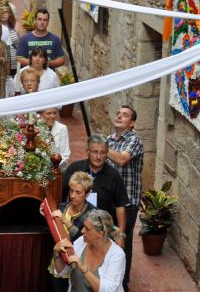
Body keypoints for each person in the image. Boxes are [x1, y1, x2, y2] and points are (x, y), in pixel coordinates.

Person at [63, 133, 129, 249]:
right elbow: (62, 198)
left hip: (101, 232)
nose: (98, 156)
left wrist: (121, 235)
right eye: (95, 152)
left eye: (103, 153)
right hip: (74, 228)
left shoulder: (114, 176)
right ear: (87, 151)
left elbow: (120, 207)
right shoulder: (74, 169)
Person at [106, 106, 144, 291]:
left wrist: (101, 148)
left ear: (132, 123)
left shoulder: (134, 140)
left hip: (128, 201)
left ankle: (122, 283)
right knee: (107, 238)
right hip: (109, 200)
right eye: (118, 113)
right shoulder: (109, 139)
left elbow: (122, 159)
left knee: (123, 240)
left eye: (125, 115)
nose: (120, 116)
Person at [41, 171, 96, 292]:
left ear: (87, 194)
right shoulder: (62, 206)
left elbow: (83, 239)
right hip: (57, 261)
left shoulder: (92, 213)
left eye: (78, 192)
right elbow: (53, 233)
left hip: (76, 266)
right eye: (71, 190)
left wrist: (65, 221)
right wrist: (47, 216)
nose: (73, 195)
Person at [53, 210, 125, 292]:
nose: (82, 231)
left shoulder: (117, 255)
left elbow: (108, 290)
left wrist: (83, 268)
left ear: (100, 234)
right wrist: (56, 253)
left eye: (87, 229)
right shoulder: (81, 241)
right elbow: (62, 272)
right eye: (84, 226)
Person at [1, 4, 20, 76]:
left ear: (10, 13)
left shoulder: (16, 25)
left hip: (15, 63)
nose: (3, 14)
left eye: (6, 12)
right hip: (1, 63)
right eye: (1, 12)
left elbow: (22, 45)